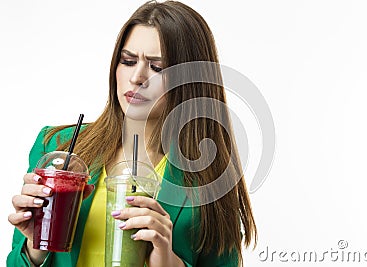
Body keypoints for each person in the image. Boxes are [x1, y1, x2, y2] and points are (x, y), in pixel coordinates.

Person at [7, 0, 257, 266]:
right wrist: (35, 249)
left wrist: (169, 261)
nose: (137, 76)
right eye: (127, 61)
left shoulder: (210, 178)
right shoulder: (58, 147)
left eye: (157, 67)